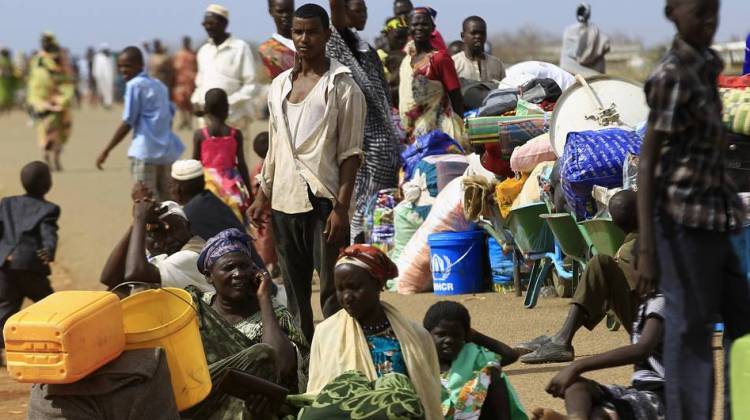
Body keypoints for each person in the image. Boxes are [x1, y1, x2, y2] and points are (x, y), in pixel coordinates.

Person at [636, 0, 750, 418]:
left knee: (743, 321)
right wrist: (647, 247)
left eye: (714, 12)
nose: (709, 21)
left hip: (719, 218)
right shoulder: (670, 75)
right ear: (672, 13)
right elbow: (648, 160)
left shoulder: (708, 63)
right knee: (692, 338)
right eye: (699, 12)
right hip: (683, 224)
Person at [302, 244, 443, 419]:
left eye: (354, 287)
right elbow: (318, 397)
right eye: (340, 289)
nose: (346, 297)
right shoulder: (326, 334)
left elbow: (429, 396)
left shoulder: (416, 336)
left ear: (377, 284)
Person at [183, 228, 308, 419]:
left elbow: (281, 367)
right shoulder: (196, 308)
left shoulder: (275, 314)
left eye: (245, 267)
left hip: (254, 409)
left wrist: (265, 298)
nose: (239, 274)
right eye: (229, 268)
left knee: (262, 355)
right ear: (209, 276)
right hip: (201, 404)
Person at [518, 190, 640, 364]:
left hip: (653, 331)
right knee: (602, 267)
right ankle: (561, 337)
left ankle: (562, 338)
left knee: (600, 265)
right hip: (652, 322)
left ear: (613, 223)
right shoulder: (647, 242)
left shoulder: (637, 247)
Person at [328, 0, 401, 242]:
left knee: (383, 206)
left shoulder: (366, 50)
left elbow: (381, 92)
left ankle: (381, 255)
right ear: (344, 13)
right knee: (361, 206)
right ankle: (359, 253)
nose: (364, 15)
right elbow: (335, 13)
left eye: (365, 10)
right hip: (360, 141)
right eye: (357, 10)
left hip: (384, 142)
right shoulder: (336, 45)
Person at [532, 293, 666, 420]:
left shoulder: (662, 300)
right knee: (575, 385)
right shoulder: (648, 301)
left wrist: (577, 366)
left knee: (600, 413)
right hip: (638, 389)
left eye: (634, 267)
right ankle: (576, 418)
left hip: (667, 395)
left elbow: (642, 349)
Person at [96, 46, 184, 202]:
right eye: (120, 66)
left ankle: (146, 228)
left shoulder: (134, 85)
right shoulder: (159, 85)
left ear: (140, 65)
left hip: (145, 151)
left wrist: (106, 150)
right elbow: (169, 115)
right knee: (169, 201)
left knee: (146, 202)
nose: (123, 70)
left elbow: (128, 121)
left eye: (127, 66)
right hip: (167, 151)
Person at [423, 301, 527, 420]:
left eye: (456, 335)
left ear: (465, 335)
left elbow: (510, 355)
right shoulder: (419, 359)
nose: (449, 340)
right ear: (427, 334)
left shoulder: (473, 356)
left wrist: (475, 336)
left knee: (493, 373)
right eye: (441, 334)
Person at [0, 162, 59, 363]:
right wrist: (49, 251)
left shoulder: (7, 203)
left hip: (6, 266)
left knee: (5, 309)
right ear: (47, 183)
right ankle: (57, 344)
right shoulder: (48, 209)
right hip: (30, 267)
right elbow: (48, 232)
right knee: (51, 306)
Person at [100, 196, 208, 294]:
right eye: (156, 232)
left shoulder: (192, 255)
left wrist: (140, 218)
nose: (168, 238)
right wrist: (135, 224)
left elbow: (136, 273)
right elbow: (109, 278)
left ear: (188, 227)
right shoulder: (156, 255)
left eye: (175, 228)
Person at [399, 7, 465, 144]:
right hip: (411, 132)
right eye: (415, 24)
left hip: (439, 133)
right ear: (408, 28)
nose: (419, 28)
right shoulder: (406, 60)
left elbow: (456, 97)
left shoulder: (440, 59)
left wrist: (461, 129)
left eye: (424, 24)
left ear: (432, 27)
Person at [192, 4, 258, 131]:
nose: (208, 26)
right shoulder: (204, 51)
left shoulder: (240, 48)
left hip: (234, 119)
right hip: (207, 121)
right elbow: (200, 84)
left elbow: (251, 85)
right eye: (205, 23)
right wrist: (196, 101)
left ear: (224, 23)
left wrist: (225, 103)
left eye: (211, 22)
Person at [192, 88, 251, 222]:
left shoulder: (200, 135)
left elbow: (194, 164)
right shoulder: (235, 134)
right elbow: (242, 165)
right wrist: (250, 193)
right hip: (231, 186)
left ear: (206, 109)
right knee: (234, 222)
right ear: (227, 108)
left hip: (208, 185)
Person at [26, 33, 75, 171]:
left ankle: (56, 158)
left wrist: (62, 99)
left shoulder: (60, 58)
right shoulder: (37, 60)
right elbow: (34, 83)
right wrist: (37, 103)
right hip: (42, 104)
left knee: (61, 133)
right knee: (46, 131)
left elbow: (67, 80)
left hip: (60, 103)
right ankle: (47, 158)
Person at [169, 159, 248, 243]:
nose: (169, 188)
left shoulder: (187, 216)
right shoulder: (213, 201)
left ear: (178, 189)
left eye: (171, 184)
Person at [249, 132, 278, 273]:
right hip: (266, 214)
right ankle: (267, 268)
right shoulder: (262, 170)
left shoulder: (257, 168)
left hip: (270, 212)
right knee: (266, 243)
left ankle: (273, 266)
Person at [560, 3, 610, 76]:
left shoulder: (593, 30)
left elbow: (606, 45)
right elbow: (606, 45)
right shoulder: (570, 31)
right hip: (571, 68)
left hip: (588, 71)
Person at [453, 16, 506, 83]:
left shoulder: (497, 64)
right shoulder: (453, 64)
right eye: (473, 33)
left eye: (482, 33)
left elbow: (503, 90)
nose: (478, 36)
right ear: (463, 36)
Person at [259, 0, 297, 82]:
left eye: (289, 11)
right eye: (280, 11)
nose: (285, 16)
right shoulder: (267, 49)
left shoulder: (306, 41)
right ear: (271, 12)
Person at [172, 36, 198, 131]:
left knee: (191, 103)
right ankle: (183, 121)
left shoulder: (193, 54)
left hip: (191, 82)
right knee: (180, 102)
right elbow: (174, 68)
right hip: (180, 82)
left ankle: (190, 122)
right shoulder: (178, 54)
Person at [92, 44, 116, 108]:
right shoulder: (97, 57)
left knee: (109, 89)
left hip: (109, 76)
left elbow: (113, 67)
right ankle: (103, 101)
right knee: (101, 89)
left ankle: (108, 103)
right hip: (100, 76)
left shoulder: (111, 57)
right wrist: (95, 74)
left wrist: (114, 74)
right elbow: (95, 66)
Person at [0, 48, 18, 113]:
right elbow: (14, 71)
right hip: (9, 82)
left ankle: (3, 109)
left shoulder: (2, 61)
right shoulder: (10, 62)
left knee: (2, 96)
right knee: (7, 96)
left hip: (2, 81)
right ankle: (7, 109)